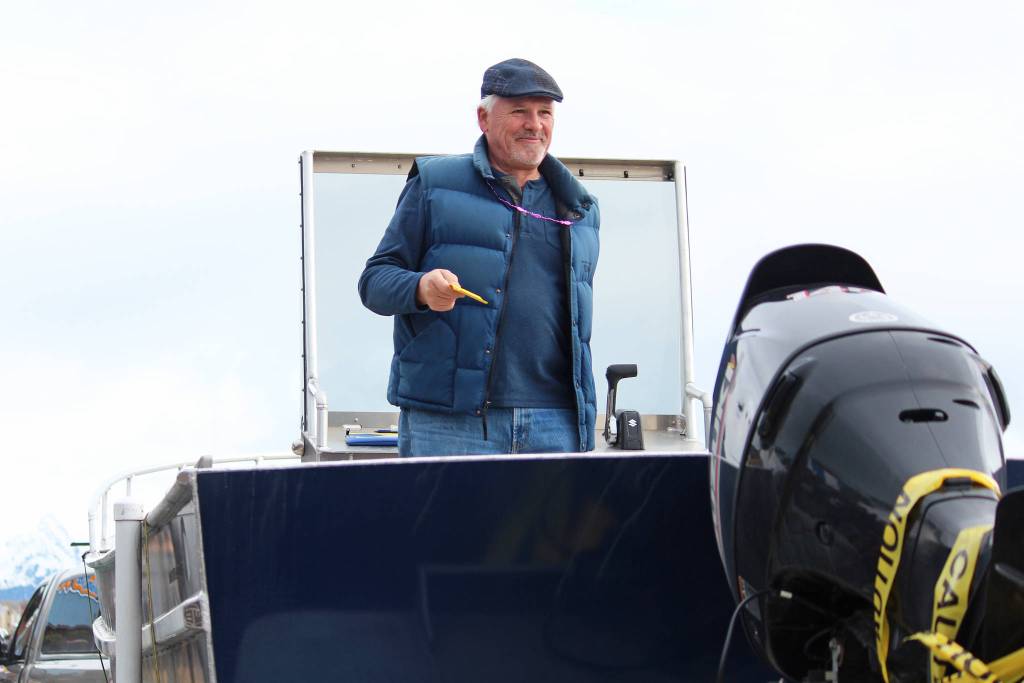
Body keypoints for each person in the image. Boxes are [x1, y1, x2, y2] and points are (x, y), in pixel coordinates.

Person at [358, 58, 600, 456]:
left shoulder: (582, 209)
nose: (534, 124)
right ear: (483, 118)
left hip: (555, 424)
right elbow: (375, 281)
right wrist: (420, 287)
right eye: (519, 111)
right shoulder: (434, 183)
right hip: (449, 423)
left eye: (544, 112)